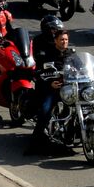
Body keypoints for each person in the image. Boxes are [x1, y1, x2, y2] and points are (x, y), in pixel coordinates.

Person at [27, 23, 71, 154]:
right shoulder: (48, 56)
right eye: (62, 40)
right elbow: (40, 72)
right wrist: (50, 83)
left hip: (69, 90)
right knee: (46, 110)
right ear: (56, 41)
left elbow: (83, 68)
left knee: (90, 104)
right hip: (53, 90)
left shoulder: (72, 55)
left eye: (66, 40)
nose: (64, 42)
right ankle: (34, 142)